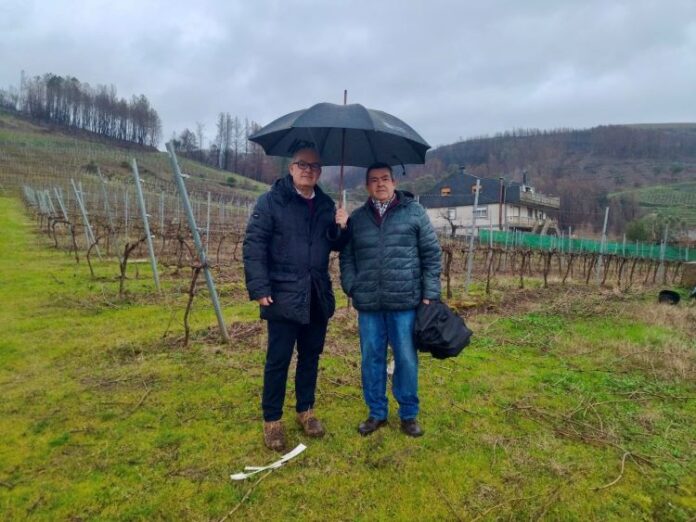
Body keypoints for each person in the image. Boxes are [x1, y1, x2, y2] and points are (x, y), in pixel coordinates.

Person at [243, 145, 349, 451]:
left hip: (317, 293)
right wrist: (260, 287)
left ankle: (306, 410)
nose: (308, 170)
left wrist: (342, 227)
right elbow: (254, 244)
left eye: (314, 166)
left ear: (320, 172)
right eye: (302, 164)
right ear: (291, 168)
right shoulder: (271, 201)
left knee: (310, 356)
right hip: (282, 293)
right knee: (278, 359)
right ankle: (272, 420)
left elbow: (336, 244)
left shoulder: (326, 205)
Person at [339, 162, 441, 437]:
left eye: (385, 178)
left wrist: (430, 293)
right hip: (369, 304)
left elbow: (432, 254)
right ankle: (376, 412)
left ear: (394, 182)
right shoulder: (357, 219)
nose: (380, 184)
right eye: (374, 180)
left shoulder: (414, 212)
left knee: (406, 359)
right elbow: (346, 257)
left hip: (405, 303)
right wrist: (351, 286)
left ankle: (408, 414)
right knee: (371, 359)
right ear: (367, 186)